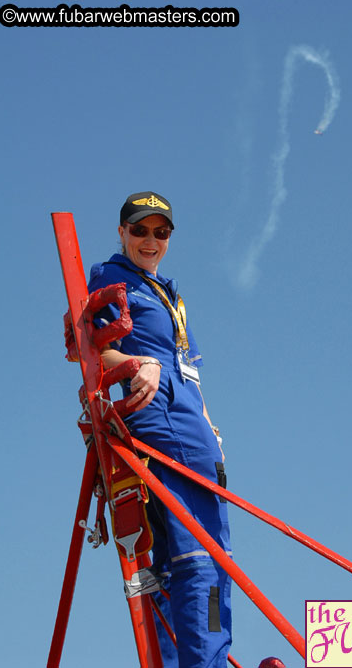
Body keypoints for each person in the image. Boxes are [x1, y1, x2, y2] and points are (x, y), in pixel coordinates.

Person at [87, 191, 232, 668]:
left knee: (164, 563)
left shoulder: (164, 289)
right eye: (140, 229)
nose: (150, 240)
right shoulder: (111, 277)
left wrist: (210, 424)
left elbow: (186, 364)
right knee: (204, 558)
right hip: (164, 423)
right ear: (121, 231)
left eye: (161, 232)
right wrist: (132, 362)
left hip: (189, 421)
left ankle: (174, 661)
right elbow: (86, 347)